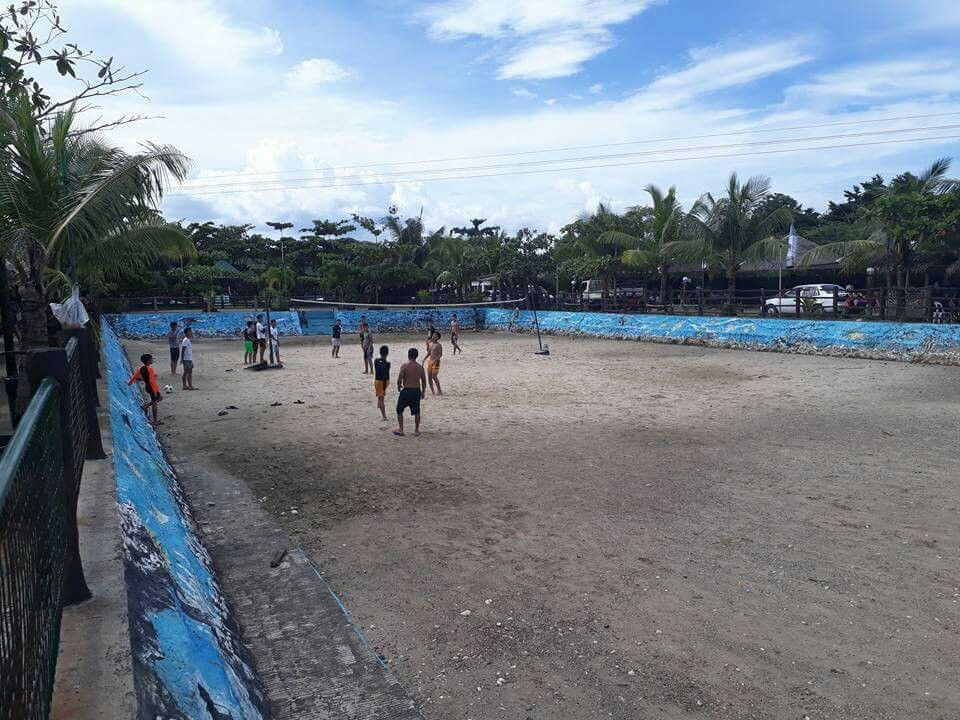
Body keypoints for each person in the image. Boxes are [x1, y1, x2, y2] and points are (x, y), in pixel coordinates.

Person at [394, 347, 426, 437]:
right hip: (416, 390)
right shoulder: (420, 367)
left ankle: (401, 429)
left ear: (408, 355)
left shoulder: (405, 366)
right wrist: (423, 392)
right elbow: (424, 381)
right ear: (416, 356)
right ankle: (416, 430)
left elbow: (400, 377)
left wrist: (398, 386)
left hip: (407, 390)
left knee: (399, 409)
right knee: (416, 411)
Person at [128, 353, 163, 425]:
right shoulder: (150, 369)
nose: (152, 360)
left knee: (159, 398)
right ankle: (155, 421)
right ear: (148, 361)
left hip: (147, 387)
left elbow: (134, 376)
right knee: (155, 403)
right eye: (151, 359)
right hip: (152, 388)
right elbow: (152, 381)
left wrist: (129, 384)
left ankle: (146, 406)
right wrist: (155, 391)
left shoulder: (141, 369)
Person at [374, 345, 390, 420]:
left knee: (381, 398)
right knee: (381, 396)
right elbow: (385, 375)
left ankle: (384, 416)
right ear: (387, 353)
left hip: (379, 381)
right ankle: (380, 402)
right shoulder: (387, 363)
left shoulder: (376, 361)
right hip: (386, 381)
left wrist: (383, 389)